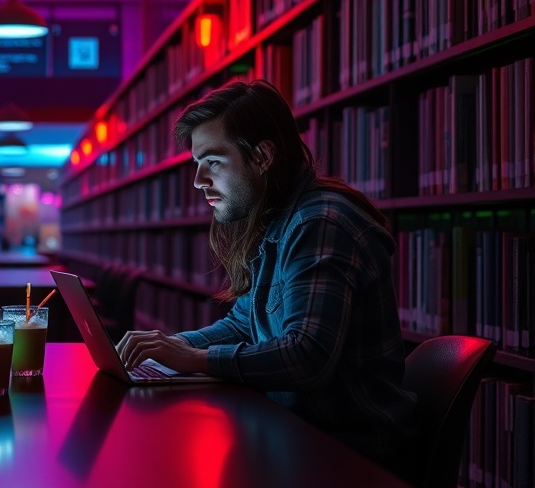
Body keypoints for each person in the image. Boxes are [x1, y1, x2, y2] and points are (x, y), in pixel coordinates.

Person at [115, 80, 416, 476]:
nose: (198, 180)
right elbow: (244, 322)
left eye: (213, 161)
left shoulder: (318, 224)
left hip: (346, 456)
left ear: (262, 157)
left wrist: (194, 359)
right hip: (298, 436)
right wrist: (173, 346)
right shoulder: (278, 218)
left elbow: (307, 356)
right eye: (197, 164)